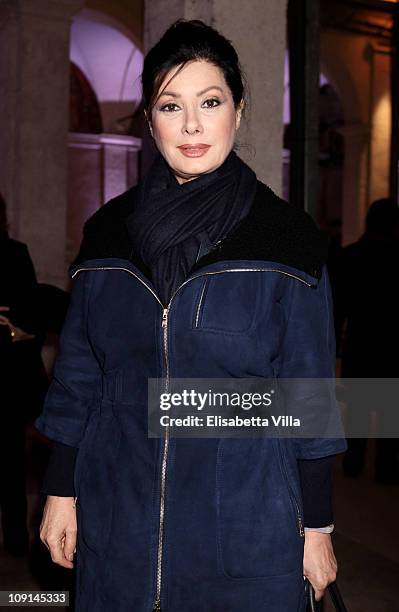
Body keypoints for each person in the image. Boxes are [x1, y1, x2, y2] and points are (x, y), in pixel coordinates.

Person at [36, 20, 347, 611]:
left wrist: (318, 527)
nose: (193, 125)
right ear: (149, 120)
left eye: (210, 102)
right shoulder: (107, 232)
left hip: (245, 528)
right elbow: (78, 376)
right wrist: (60, 490)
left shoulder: (287, 240)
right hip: (117, 514)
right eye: (170, 106)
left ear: (239, 109)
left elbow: (309, 397)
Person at [334, 198, 399, 483]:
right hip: (392, 347)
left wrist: (332, 346)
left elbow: (338, 307)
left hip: (360, 343)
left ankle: (354, 461)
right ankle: (386, 470)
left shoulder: (351, 256)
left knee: (358, 410)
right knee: (389, 414)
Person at [0, 194, 48, 555]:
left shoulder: (15, 252)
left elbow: (31, 309)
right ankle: (16, 537)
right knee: (11, 459)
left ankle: (16, 537)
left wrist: (16, 325)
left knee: (12, 459)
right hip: (12, 369)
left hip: (9, 372)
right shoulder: (15, 252)